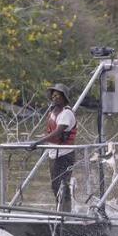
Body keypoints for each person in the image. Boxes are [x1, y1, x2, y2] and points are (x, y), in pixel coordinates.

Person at [28, 83, 78, 213]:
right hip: (53, 154)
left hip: (65, 155)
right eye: (53, 95)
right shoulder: (52, 112)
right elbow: (50, 132)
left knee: (63, 185)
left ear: (64, 98)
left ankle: (65, 214)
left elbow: (58, 133)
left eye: (58, 96)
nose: (55, 98)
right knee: (55, 186)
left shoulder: (66, 113)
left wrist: (38, 142)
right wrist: (38, 140)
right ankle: (60, 211)